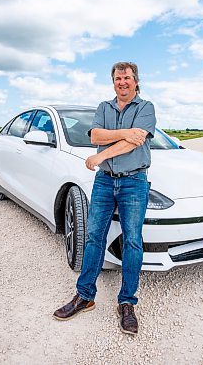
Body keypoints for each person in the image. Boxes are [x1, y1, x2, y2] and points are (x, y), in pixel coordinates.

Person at [53, 62, 156, 335]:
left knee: (132, 240)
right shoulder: (103, 107)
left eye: (127, 77)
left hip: (134, 181)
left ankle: (127, 303)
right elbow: (96, 134)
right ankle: (84, 296)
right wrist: (125, 132)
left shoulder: (146, 108)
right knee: (93, 237)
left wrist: (100, 155)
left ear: (136, 81)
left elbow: (136, 141)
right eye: (117, 78)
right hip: (104, 181)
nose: (122, 82)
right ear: (113, 82)